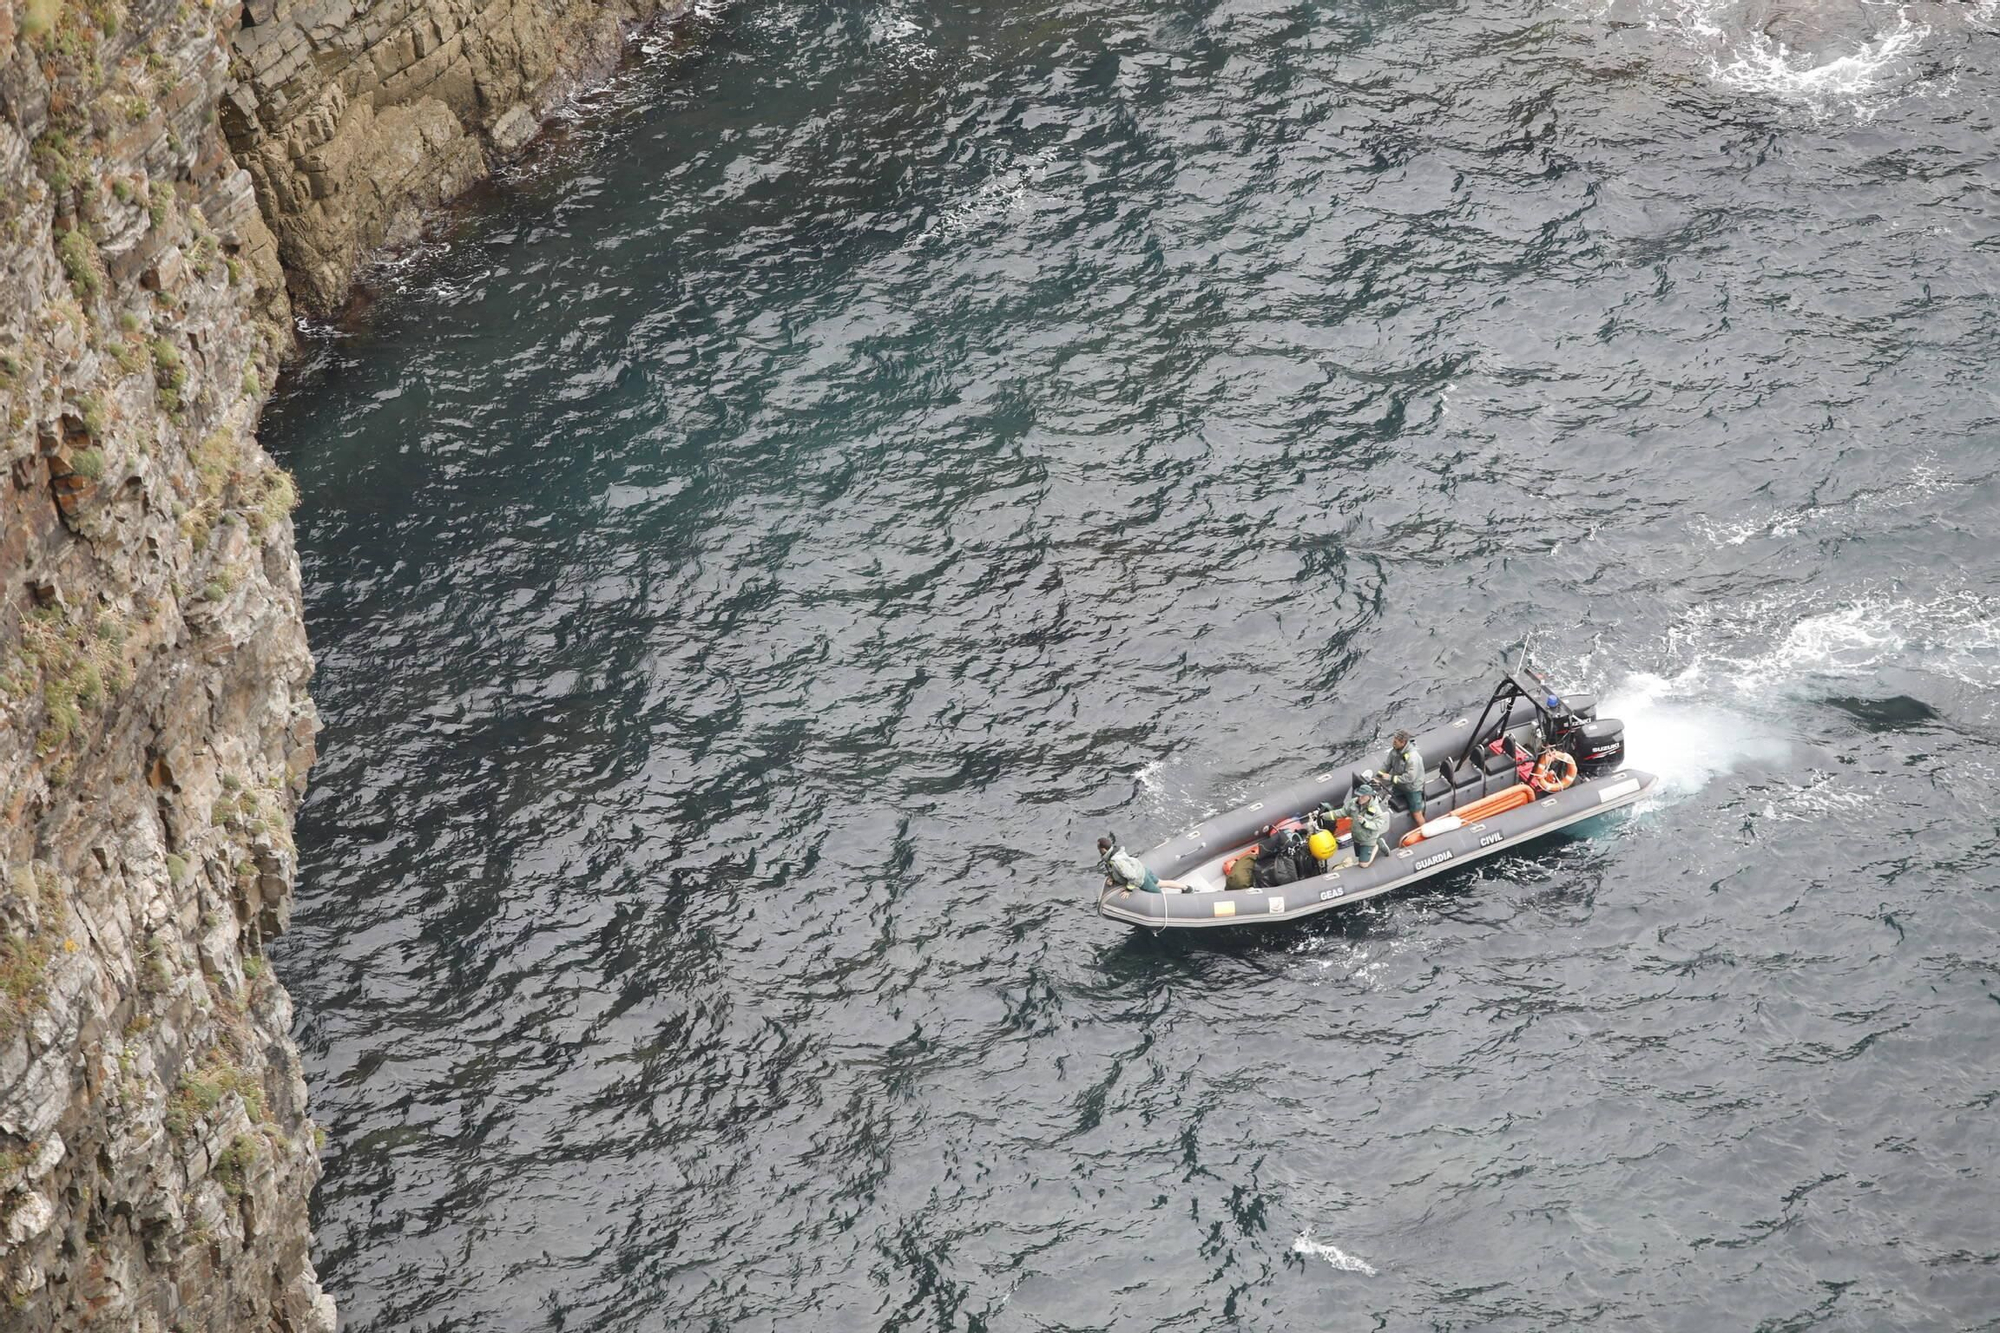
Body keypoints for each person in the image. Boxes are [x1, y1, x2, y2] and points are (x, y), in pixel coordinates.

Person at [1097, 836, 1186, 894]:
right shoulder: (1117, 852)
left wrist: (1128, 890)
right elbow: (1120, 870)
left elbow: (1132, 876)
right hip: (1143, 870)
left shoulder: (1116, 861)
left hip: (1142, 879)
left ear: (1104, 850)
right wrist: (1112, 877)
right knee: (1161, 883)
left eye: (1099, 848)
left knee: (1159, 894)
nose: (1098, 849)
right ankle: (1186, 888)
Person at [1330, 791, 1389, 868]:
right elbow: (1343, 812)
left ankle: (1377, 845)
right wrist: (1326, 815)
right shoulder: (1355, 803)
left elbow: (1378, 824)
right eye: (1359, 796)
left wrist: (1366, 823)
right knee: (1358, 854)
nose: (1360, 798)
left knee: (1363, 864)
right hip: (1357, 835)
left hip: (1368, 837)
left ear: (1369, 796)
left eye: (1363, 796)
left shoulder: (1375, 809)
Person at [1383, 729, 1427, 828]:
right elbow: (1387, 764)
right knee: (1388, 800)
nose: (1393, 743)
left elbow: (1409, 778)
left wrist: (1390, 778)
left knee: (1416, 814)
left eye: (1395, 741)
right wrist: (1379, 777)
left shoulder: (1412, 757)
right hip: (1399, 785)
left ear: (1403, 743)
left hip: (1412, 788)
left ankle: (1424, 830)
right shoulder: (1395, 751)